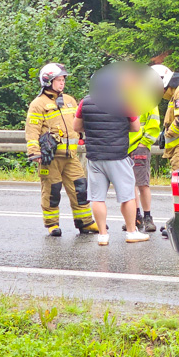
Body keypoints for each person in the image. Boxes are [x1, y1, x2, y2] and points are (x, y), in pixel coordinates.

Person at [73, 85, 149, 246]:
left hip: (95, 157)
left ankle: (102, 235)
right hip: (118, 156)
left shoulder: (85, 102)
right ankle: (131, 232)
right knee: (127, 196)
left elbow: (76, 127)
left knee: (97, 198)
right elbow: (135, 128)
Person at [25, 63, 94, 237]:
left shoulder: (70, 100)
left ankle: (85, 222)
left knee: (80, 188)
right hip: (51, 158)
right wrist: (35, 152)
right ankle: (52, 224)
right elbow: (32, 130)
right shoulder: (38, 104)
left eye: (63, 79)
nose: (62, 83)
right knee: (52, 191)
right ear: (47, 81)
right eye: (58, 80)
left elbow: (77, 123)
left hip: (70, 156)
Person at [121, 104, 161, 232]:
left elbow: (154, 124)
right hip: (124, 146)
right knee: (130, 184)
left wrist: (145, 143)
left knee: (143, 184)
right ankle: (135, 217)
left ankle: (147, 217)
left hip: (139, 146)